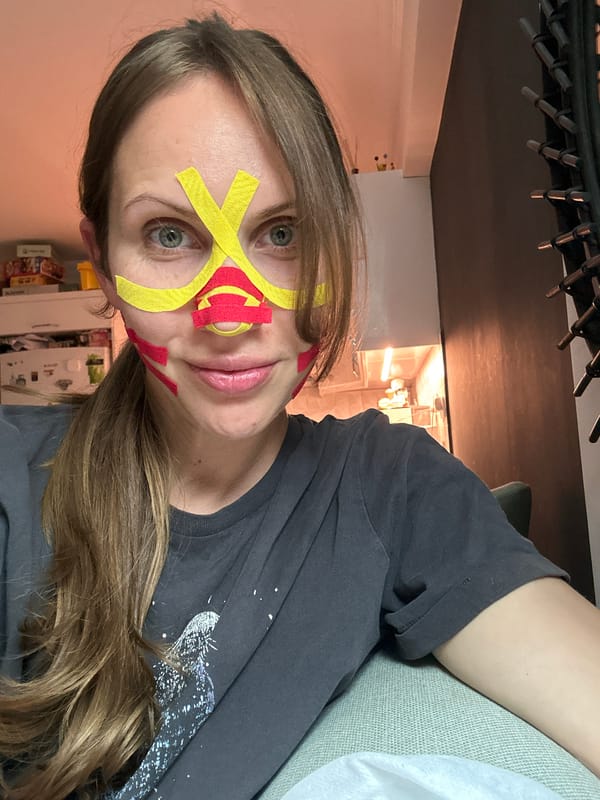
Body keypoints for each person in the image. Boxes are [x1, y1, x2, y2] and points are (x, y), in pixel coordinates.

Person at [0, 12, 599, 800]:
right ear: (107, 268)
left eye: (281, 231)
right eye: (169, 236)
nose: (230, 312)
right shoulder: (14, 475)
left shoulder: (389, 487)